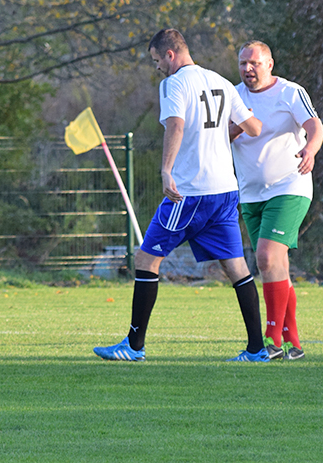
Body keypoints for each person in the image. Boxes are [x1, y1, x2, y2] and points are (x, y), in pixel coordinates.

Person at [94, 28, 268, 362]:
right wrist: (219, 137)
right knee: (236, 267)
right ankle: (257, 349)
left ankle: (133, 346)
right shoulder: (220, 81)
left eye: (157, 59)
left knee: (146, 259)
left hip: (189, 193)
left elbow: (175, 125)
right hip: (224, 190)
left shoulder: (174, 84)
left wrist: (166, 170)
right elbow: (255, 127)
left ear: (170, 54)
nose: (157, 66)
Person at [228, 40, 323, 362]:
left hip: (289, 185)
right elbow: (219, 137)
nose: (247, 69)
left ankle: (270, 339)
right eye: (243, 63)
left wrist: (310, 149)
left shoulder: (289, 92)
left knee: (267, 257)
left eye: (254, 63)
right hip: (250, 192)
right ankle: (292, 342)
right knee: (275, 265)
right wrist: (235, 128)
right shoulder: (233, 96)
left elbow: (315, 126)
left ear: (270, 64)